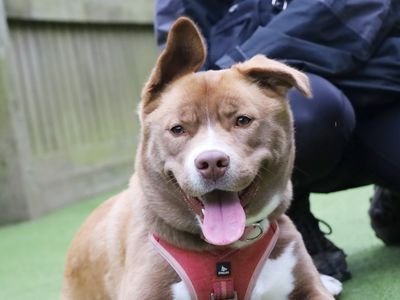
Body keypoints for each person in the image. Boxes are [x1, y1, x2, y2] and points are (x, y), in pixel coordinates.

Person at [154, 0, 400, 282]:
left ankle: (393, 202)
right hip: (276, 85)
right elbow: (183, 28)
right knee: (301, 114)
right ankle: (293, 222)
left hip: (375, 77)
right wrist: (229, 78)